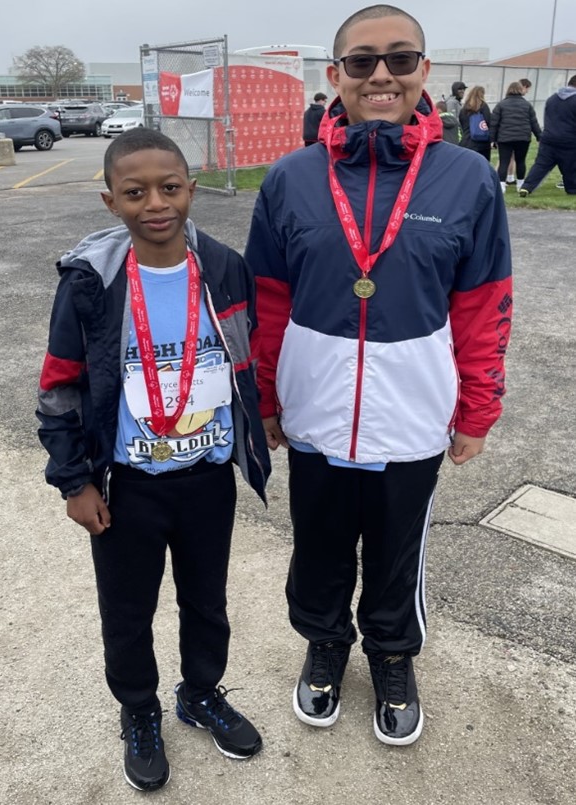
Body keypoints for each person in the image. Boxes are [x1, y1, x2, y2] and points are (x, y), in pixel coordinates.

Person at [245, 3, 512, 747]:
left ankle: (393, 653)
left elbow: (485, 306)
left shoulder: (467, 178)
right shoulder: (291, 178)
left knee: (396, 551)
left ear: (424, 70)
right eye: (362, 62)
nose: (381, 76)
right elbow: (266, 303)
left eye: (399, 58)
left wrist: (478, 409)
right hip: (316, 412)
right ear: (336, 76)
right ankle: (325, 641)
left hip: (411, 414)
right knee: (320, 543)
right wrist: (264, 397)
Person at [36, 128, 270, 791]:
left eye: (169, 188)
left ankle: (200, 693)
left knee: (207, 601)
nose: (156, 204)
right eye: (135, 192)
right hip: (128, 485)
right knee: (127, 610)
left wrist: (259, 426)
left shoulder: (224, 268)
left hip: (207, 479)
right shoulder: (90, 284)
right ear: (111, 201)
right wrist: (74, 482)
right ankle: (139, 708)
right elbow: (59, 386)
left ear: (191, 190)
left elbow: (247, 357)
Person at [519, 75, 576, 196]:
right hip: (569, 140)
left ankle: (526, 187)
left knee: (541, 165)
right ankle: (572, 189)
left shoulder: (552, 98)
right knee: (570, 166)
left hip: (549, 138)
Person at [490, 81, 542, 193]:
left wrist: (492, 139)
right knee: (521, 161)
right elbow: (534, 123)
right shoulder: (527, 105)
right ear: (520, 90)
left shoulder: (501, 105)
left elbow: (494, 123)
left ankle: (501, 186)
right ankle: (520, 184)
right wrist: (539, 137)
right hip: (523, 137)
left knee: (504, 162)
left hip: (505, 138)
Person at [505, 78, 533, 183]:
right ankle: (502, 179)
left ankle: (509, 178)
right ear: (524, 87)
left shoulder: (504, 103)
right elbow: (533, 121)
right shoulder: (525, 104)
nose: (527, 92)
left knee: (509, 158)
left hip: (506, 135)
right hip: (518, 135)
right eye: (527, 89)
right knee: (508, 159)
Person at [459, 85, 492, 161]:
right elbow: (488, 121)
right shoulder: (483, 106)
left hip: (466, 142)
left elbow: (462, 124)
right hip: (482, 143)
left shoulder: (464, 109)